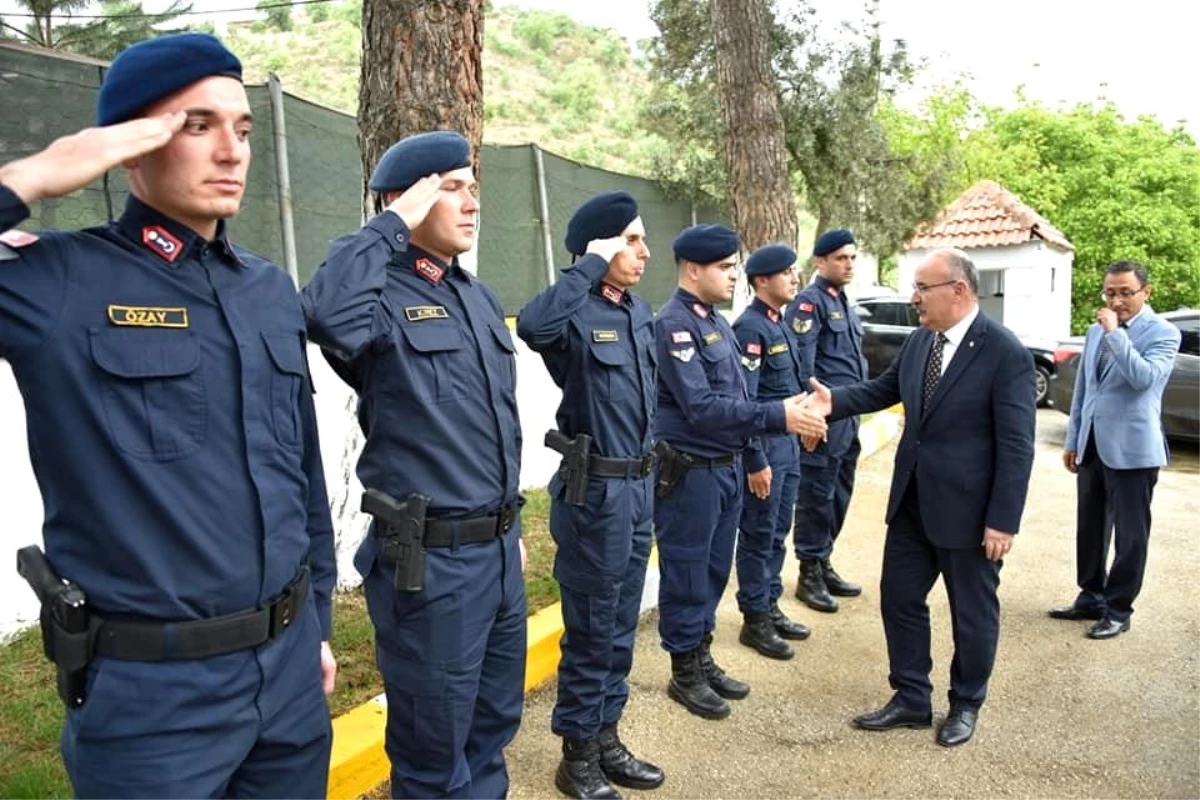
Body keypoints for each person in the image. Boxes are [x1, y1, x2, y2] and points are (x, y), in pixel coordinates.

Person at [0, 33, 337, 798]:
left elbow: (300, 474)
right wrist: (38, 174)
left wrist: (311, 619)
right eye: (196, 126)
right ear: (127, 149)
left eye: (243, 130)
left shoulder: (268, 290)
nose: (232, 152)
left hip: (287, 680)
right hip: (153, 701)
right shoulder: (58, 284)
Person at [301, 131, 527, 799]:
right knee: (433, 757)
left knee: (491, 732)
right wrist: (390, 225)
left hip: (496, 554)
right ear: (408, 198)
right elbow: (326, 312)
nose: (471, 203)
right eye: (451, 188)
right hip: (431, 568)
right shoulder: (377, 298)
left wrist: (508, 536)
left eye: (472, 189)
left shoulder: (478, 299)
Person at [804, 248, 1035, 747]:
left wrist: (1003, 520)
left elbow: (1017, 445)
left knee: (972, 613)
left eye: (921, 289)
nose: (913, 299)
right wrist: (834, 402)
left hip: (971, 514)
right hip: (912, 500)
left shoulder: (1004, 352)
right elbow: (885, 389)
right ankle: (911, 697)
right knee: (900, 598)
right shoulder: (921, 342)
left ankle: (966, 703)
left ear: (959, 290)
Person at [517, 191, 663, 800]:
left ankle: (606, 736)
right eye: (630, 240)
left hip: (639, 489)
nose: (644, 251)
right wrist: (588, 265)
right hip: (595, 493)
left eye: (641, 240)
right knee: (593, 624)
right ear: (601, 247)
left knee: (621, 622)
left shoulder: (637, 312)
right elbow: (532, 325)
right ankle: (575, 755)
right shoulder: (572, 314)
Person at [653, 224, 826, 721]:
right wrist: (779, 418)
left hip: (725, 467)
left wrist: (761, 440)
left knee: (712, 572)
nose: (735, 276)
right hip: (692, 474)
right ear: (693, 270)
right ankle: (683, 669)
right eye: (725, 268)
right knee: (687, 572)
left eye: (734, 267)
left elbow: (742, 399)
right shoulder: (674, 325)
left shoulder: (717, 324)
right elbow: (704, 407)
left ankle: (701, 655)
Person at [1050, 261, 1181, 639]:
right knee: (1089, 528)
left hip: (1134, 451)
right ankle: (1090, 596)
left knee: (1130, 535)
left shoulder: (1163, 333)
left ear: (1146, 292)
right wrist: (1074, 439)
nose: (1117, 300)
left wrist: (1115, 334)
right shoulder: (1094, 332)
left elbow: (1143, 379)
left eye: (1126, 292)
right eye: (1110, 292)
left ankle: (1119, 609)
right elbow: (1084, 390)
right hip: (1092, 445)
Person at [731, 244, 812, 661]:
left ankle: (770, 602)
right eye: (787, 273)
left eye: (795, 272)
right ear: (762, 280)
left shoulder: (781, 324)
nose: (795, 278)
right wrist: (755, 459)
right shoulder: (750, 329)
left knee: (779, 531)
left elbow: (790, 391)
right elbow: (746, 403)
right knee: (759, 533)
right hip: (765, 447)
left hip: (789, 446)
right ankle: (754, 618)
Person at [786, 229, 867, 612]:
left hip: (847, 418)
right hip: (822, 419)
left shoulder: (845, 302)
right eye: (840, 258)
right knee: (816, 496)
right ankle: (808, 573)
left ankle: (823, 560)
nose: (848, 264)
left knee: (839, 495)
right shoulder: (808, 303)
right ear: (820, 262)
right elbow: (801, 365)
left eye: (852, 257)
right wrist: (805, 418)